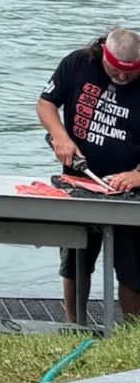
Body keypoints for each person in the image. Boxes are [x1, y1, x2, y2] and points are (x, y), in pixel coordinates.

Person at [37, 27, 140, 326]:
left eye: (130, 74)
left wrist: (136, 176)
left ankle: (132, 334)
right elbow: (45, 104)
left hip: (128, 189)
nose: (121, 79)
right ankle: (74, 324)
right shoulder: (78, 63)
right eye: (116, 71)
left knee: (132, 268)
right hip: (79, 180)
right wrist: (60, 136)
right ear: (104, 52)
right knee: (76, 260)